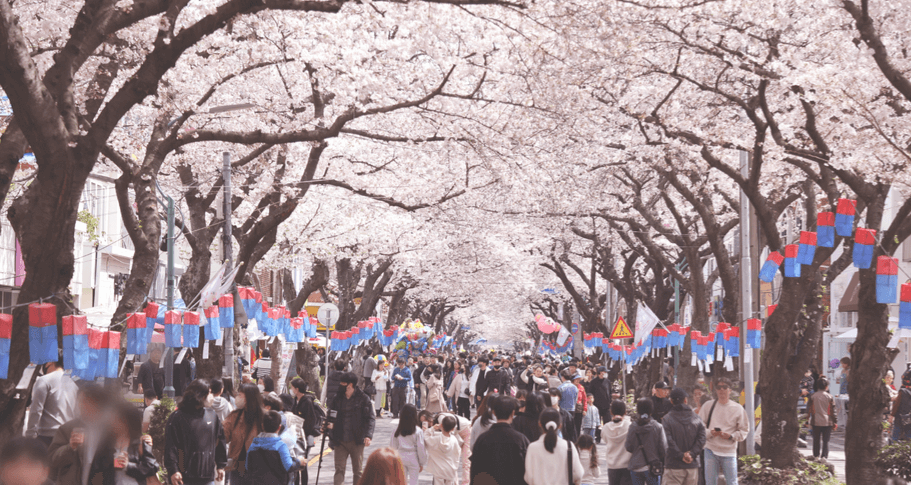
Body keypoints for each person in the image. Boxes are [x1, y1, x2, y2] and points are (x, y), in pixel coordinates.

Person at [164, 379, 227, 485]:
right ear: (199, 395)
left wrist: (221, 465)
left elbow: (220, 440)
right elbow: (171, 446)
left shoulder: (212, 415)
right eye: (209, 392)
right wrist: (173, 470)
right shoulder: (177, 417)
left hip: (207, 477)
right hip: (183, 478)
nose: (211, 396)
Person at [48, 383, 109, 485]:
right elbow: (51, 461)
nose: (82, 405)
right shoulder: (67, 429)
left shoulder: (109, 431)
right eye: (80, 401)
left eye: (88, 401)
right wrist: (70, 447)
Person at [85, 400, 159, 485]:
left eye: (119, 420)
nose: (115, 423)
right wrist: (112, 463)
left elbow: (152, 467)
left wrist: (128, 466)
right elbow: (95, 471)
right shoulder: (106, 444)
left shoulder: (141, 441)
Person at [697, 378, 748, 485]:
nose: (722, 390)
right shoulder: (708, 406)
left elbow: (744, 430)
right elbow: (698, 427)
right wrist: (710, 433)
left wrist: (731, 436)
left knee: (732, 482)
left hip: (729, 451)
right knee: (710, 482)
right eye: (719, 387)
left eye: (725, 387)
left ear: (729, 390)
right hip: (711, 449)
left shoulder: (738, 408)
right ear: (715, 390)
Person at [328, 372, 376, 485]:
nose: (340, 385)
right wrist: (328, 427)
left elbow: (370, 418)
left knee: (358, 471)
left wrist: (368, 435)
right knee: (339, 469)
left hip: (357, 440)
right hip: (340, 440)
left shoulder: (363, 398)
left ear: (350, 385)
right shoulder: (337, 398)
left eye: (342, 383)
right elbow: (330, 415)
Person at [470, 395, 529, 485]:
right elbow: (526, 470)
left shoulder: (482, 439)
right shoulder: (521, 439)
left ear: (494, 412)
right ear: (513, 413)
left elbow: (475, 470)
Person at [26, 354, 78, 446]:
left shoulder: (44, 380)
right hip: (67, 437)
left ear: (50, 362)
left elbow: (36, 410)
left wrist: (30, 436)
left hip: (47, 437)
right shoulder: (73, 384)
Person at [524, 407, 584, 485]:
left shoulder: (532, 447)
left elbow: (529, 477)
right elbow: (578, 474)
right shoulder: (569, 446)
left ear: (539, 424)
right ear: (560, 425)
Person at [246, 410, 302, 485]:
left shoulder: (253, 445)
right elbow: (288, 466)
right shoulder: (281, 446)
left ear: (262, 426)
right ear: (279, 427)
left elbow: (248, 466)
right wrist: (299, 462)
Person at [224, 383, 265, 485]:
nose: (237, 397)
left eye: (240, 395)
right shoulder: (234, 417)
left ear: (249, 398)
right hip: (237, 468)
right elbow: (223, 436)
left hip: (258, 469)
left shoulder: (264, 418)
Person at [663, 388, 706, 485]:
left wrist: (680, 455)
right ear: (686, 400)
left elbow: (667, 441)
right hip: (692, 465)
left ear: (671, 401)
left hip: (673, 465)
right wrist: (692, 454)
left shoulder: (667, 419)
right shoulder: (697, 418)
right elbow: (702, 438)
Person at [624, 398, 667, 485]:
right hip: (653, 467)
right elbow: (663, 448)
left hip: (635, 466)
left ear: (638, 410)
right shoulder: (658, 427)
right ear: (651, 410)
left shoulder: (632, 427)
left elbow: (628, 447)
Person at [390, 404, 427, 485]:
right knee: (414, 482)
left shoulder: (396, 430)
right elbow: (421, 448)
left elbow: (392, 447)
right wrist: (422, 462)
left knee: (401, 482)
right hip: (413, 457)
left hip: (400, 456)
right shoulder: (418, 431)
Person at [423, 414, 462, 485]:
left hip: (438, 470)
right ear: (453, 429)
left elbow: (426, 436)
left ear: (441, 425)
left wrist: (433, 428)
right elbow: (457, 454)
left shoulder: (436, 439)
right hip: (450, 469)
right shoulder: (454, 440)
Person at [603, 399, 633, 485]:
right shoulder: (630, 426)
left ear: (611, 412)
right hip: (627, 465)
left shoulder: (606, 427)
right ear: (625, 412)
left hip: (612, 465)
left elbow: (605, 440)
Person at [808, 377, 837, 459]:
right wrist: (835, 422)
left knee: (816, 440)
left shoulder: (813, 396)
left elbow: (808, 409)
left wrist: (806, 420)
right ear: (826, 387)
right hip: (827, 422)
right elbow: (833, 411)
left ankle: (816, 455)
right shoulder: (830, 397)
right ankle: (824, 457)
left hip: (815, 421)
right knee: (826, 441)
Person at [891, 369, 911, 441]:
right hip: (909, 419)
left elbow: (896, 404)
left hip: (900, 417)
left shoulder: (902, 391)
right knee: (909, 438)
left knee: (895, 438)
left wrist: (892, 415)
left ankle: (893, 451)